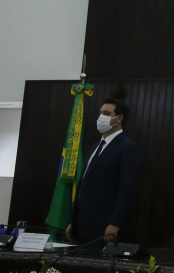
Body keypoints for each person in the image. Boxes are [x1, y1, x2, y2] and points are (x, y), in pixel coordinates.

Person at [67, 99, 142, 246]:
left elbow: (127, 189)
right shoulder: (95, 146)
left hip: (105, 226)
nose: (101, 117)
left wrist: (115, 223)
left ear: (119, 118)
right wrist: (73, 221)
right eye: (100, 113)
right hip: (82, 224)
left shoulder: (128, 147)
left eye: (106, 113)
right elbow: (84, 185)